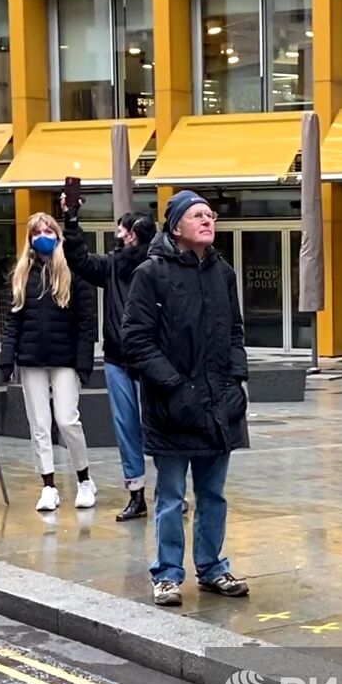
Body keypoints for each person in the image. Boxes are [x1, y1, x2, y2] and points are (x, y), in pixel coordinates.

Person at [122, 190, 251, 607]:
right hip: (172, 406)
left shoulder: (222, 272)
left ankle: (211, 568)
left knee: (213, 494)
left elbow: (234, 332)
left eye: (210, 215)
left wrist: (236, 380)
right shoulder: (150, 274)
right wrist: (176, 386)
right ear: (176, 227)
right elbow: (136, 341)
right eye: (198, 215)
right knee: (172, 497)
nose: (208, 220)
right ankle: (167, 574)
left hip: (218, 404)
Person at [60, 195, 158, 521]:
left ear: (132, 234)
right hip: (118, 359)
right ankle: (136, 494)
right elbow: (78, 259)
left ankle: (169, 490)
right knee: (126, 427)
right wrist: (72, 219)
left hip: (152, 360)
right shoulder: (113, 265)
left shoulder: (159, 266)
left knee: (159, 425)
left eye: (121, 229)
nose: (117, 233)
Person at [0, 212, 98, 513]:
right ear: (29, 239)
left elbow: (86, 323)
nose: (43, 236)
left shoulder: (74, 271)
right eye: (37, 232)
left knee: (67, 420)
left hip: (65, 359)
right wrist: (6, 360)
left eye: (48, 231)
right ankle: (48, 486)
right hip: (31, 359)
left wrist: (84, 364)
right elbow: (13, 321)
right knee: (39, 424)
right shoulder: (22, 274)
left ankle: (84, 479)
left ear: (58, 235)